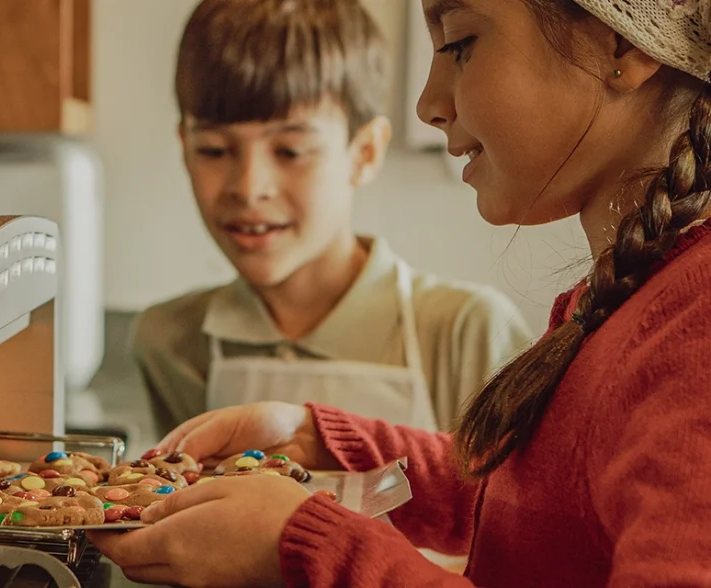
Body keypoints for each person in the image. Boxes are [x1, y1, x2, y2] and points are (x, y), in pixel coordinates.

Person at [90, 0, 711, 585]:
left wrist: (310, 544)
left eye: (462, 43)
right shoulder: (627, 298)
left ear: (621, 44)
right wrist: (322, 440)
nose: (427, 104)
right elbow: (532, 506)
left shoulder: (695, 325)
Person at [130, 0, 532, 436]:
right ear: (184, 147)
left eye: (290, 151)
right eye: (213, 150)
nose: (248, 188)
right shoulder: (170, 342)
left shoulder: (468, 333)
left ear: (365, 153)